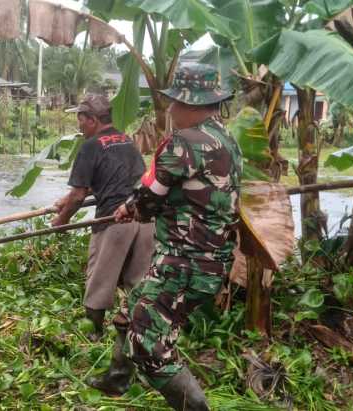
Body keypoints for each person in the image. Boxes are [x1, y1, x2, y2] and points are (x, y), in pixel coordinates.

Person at [91, 64, 242, 411]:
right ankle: (117, 378)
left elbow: (148, 198)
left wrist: (131, 208)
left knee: (147, 343)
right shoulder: (226, 140)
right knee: (132, 309)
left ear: (193, 104)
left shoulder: (183, 144)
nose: (171, 110)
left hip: (184, 262)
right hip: (209, 260)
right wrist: (135, 206)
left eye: (176, 103)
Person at [51, 94, 153, 342]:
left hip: (115, 222)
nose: (79, 125)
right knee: (138, 283)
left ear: (93, 120)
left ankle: (93, 336)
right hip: (146, 220)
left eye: (81, 119)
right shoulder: (126, 141)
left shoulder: (90, 146)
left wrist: (60, 223)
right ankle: (140, 337)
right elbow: (109, 181)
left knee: (99, 280)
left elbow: (78, 196)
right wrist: (63, 201)